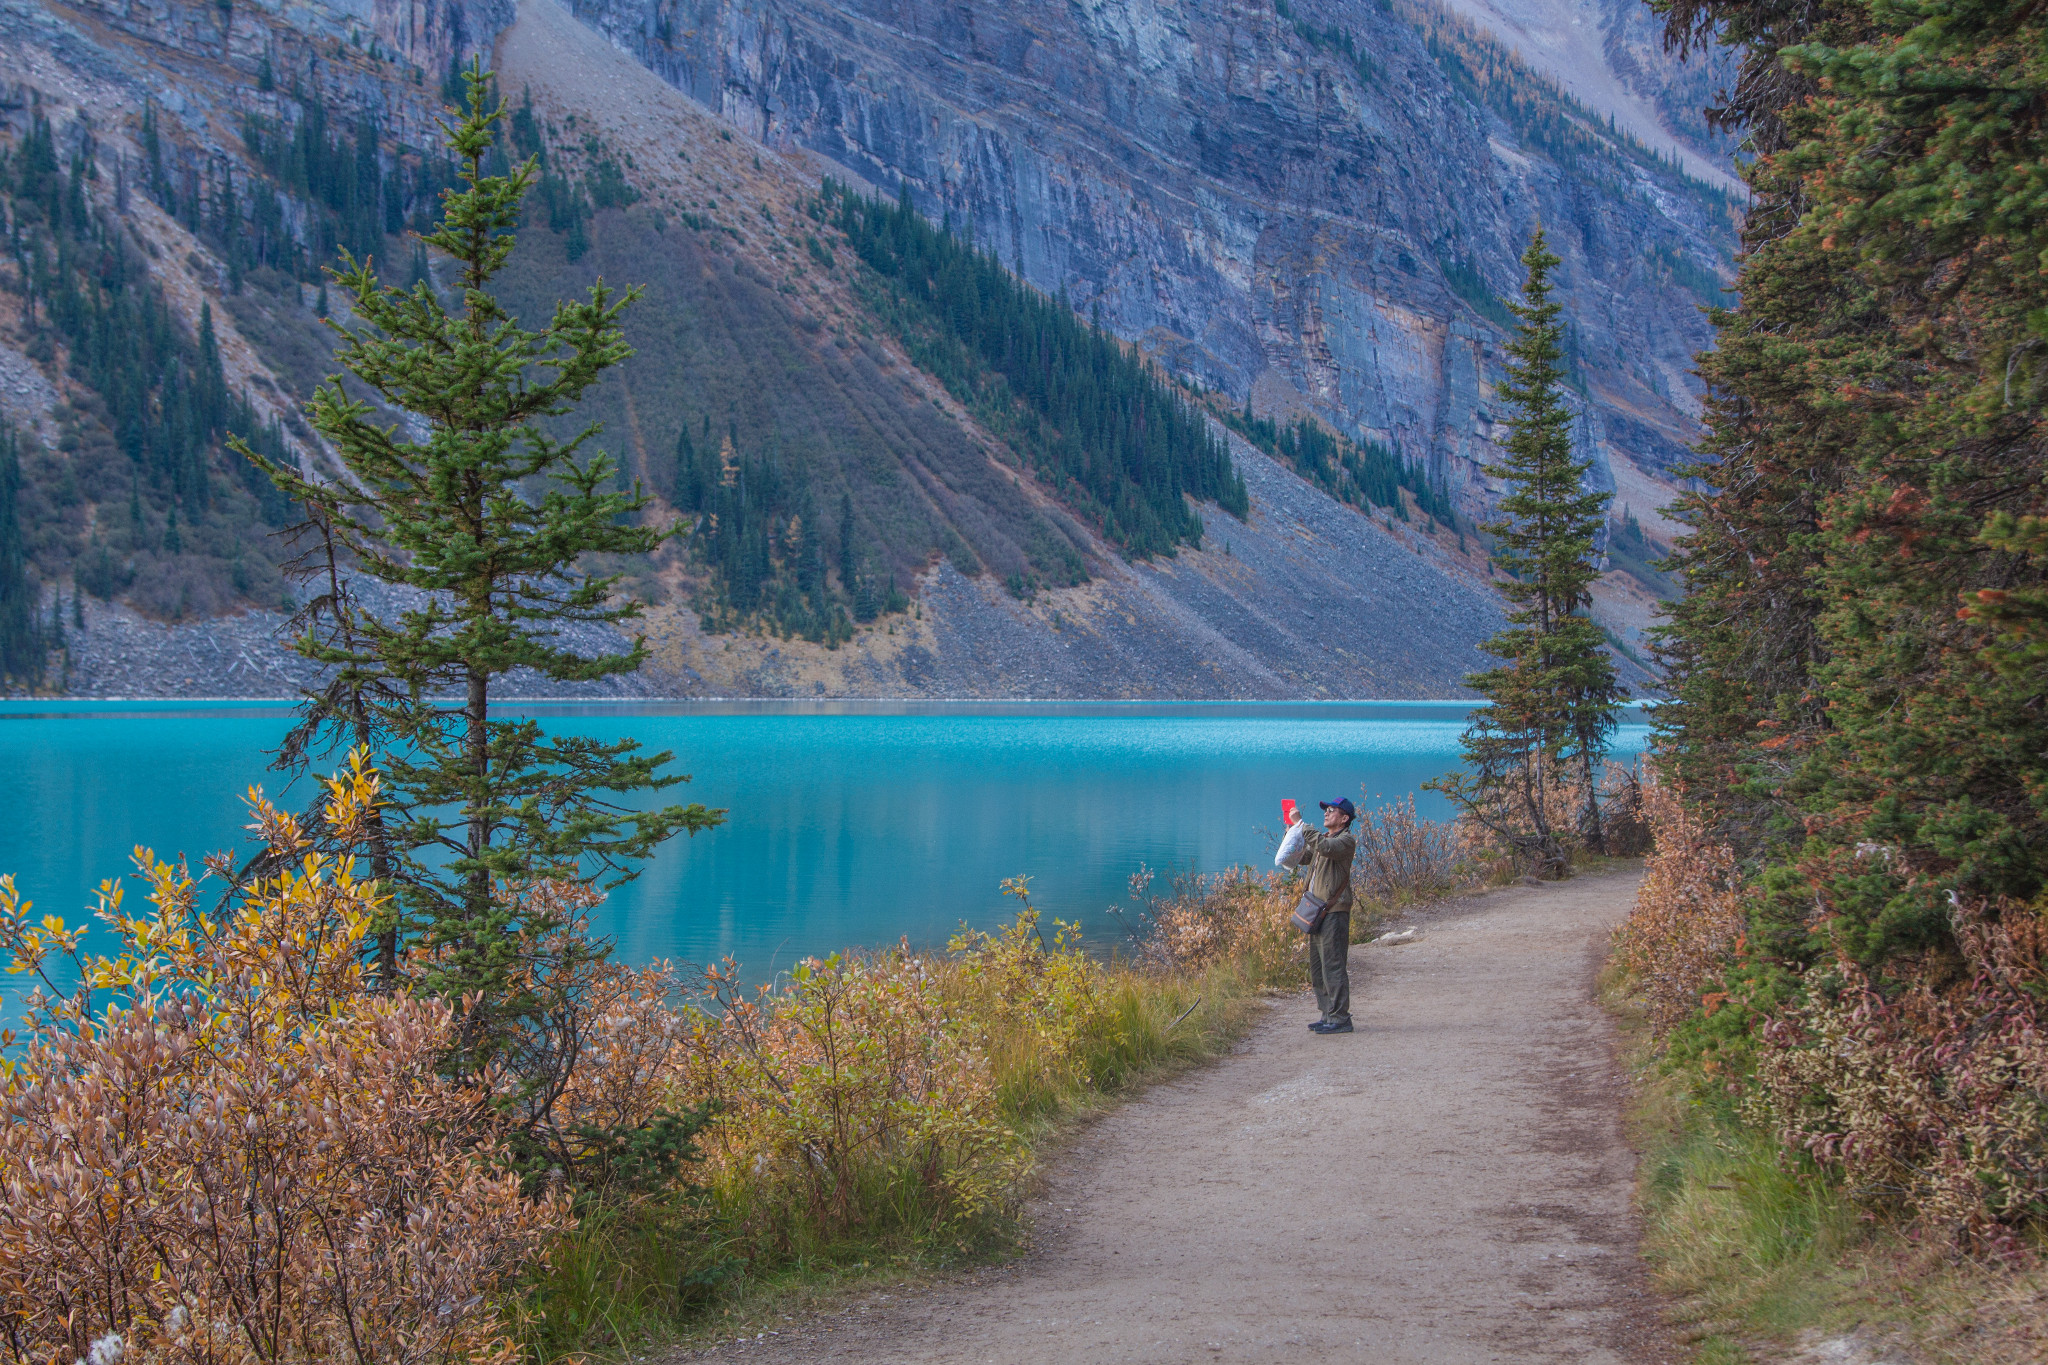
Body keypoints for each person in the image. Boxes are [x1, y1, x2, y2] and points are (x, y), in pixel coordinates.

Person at [1295, 797, 1357, 1034]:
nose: (1326, 813)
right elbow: (1302, 857)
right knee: (1318, 967)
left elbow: (1325, 848)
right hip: (1316, 911)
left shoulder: (1345, 841)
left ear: (1344, 818)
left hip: (1334, 911)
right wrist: (1292, 836)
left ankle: (1341, 1018)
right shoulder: (1325, 839)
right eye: (1326, 810)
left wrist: (1303, 827)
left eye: (1332, 810)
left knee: (1333, 965)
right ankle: (1327, 1014)